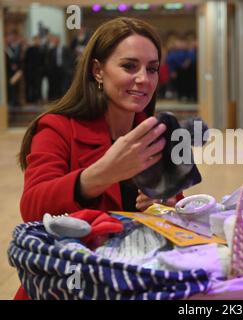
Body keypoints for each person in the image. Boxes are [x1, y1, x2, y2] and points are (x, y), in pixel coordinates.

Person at [16, 17, 180, 299]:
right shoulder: (57, 127)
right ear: (97, 71)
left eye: (152, 69)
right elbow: (32, 207)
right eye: (129, 66)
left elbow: (177, 213)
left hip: (136, 281)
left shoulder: (157, 133)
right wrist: (100, 175)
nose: (144, 79)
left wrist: (165, 203)